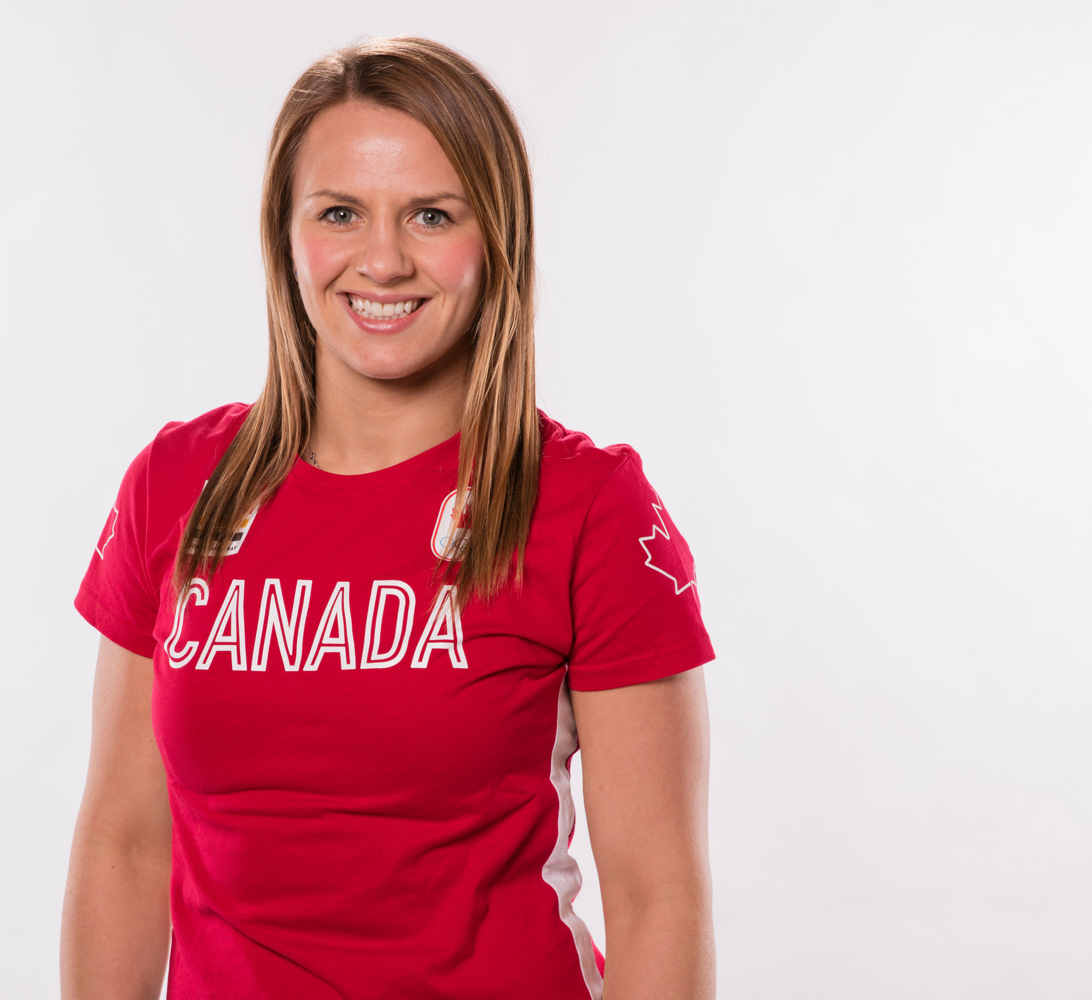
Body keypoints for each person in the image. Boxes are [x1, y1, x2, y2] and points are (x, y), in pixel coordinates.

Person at [62, 36, 715, 1000]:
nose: (382, 259)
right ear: (287, 238)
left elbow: (660, 897)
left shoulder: (588, 507)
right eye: (340, 212)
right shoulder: (177, 483)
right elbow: (123, 842)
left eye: (430, 215)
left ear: (495, 238)